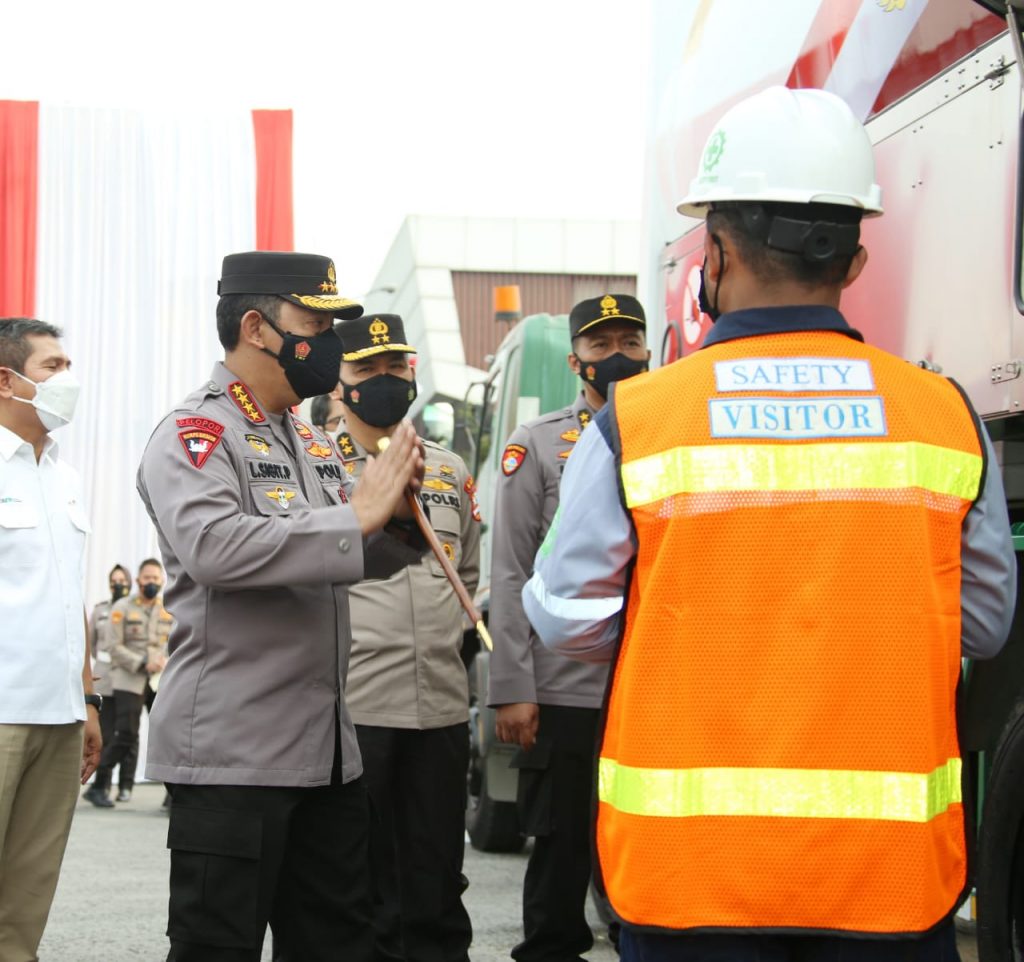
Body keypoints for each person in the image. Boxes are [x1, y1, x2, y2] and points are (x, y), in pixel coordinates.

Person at [522, 86, 1018, 962]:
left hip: (690, 880)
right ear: (854, 260)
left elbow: (567, 618)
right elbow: (979, 624)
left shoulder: (637, 421)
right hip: (888, 883)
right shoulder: (945, 418)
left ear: (712, 254)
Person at [137, 251, 427, 962]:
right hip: (235, 757)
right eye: (315, 324)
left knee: (337, 944)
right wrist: (355, 517)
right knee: (218, 948)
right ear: (257, 328)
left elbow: (339, 555)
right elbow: (215, 548)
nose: (328, 341)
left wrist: (395, 524)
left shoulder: (310, 439)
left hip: (326, 755)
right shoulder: (195, 433)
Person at [487, 293, 649, 962]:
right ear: (575, 359)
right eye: (600, 344)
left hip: (648, 684)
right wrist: (512, 687)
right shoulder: (538, 443)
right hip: (565, 689)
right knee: (561, 846)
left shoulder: (673, 431)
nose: (617, 356)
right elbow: (509, 570)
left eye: (629, 342)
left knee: (642, 842)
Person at [334, 313, 481, 962]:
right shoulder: (315, 463)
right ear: (338, 383)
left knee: (437, 880)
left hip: (441, 707)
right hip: (357, 707)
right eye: (366, 369)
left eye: (395, 366)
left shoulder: (447, 469)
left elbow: (467, 573)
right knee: (358, 885)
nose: (384, 379)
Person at [0, 317, 103, 959]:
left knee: (26, 898)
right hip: (2, 712)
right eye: (52, 367)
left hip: (60, 718)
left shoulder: (64, 478)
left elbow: (71, 597)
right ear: (6, 380)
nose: (69, 380)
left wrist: (88, 701)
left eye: (68, 366)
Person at [91, 557, 173, 805]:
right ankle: (99, 784)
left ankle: (173, 795)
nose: (151, 582)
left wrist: (164, 660)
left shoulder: (169, 607)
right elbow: (113, 646)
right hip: (129, 677)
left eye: (155, 578)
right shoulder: (122, 607)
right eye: (147, 578)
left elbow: (177, 640)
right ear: (138, 580)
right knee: (126, 734)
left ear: (162, 580)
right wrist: (142, 661)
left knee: (169, 735)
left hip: (160, 680)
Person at [82, 562, 131, 807]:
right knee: (108, 733)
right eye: (114, 581)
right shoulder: (100, 609)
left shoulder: (136, 608)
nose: (118, 584)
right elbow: (90, 644)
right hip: (105, 680)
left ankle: (125, 786)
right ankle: (101, 786)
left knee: (129, 735)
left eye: (122, 580)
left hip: (129, 678)